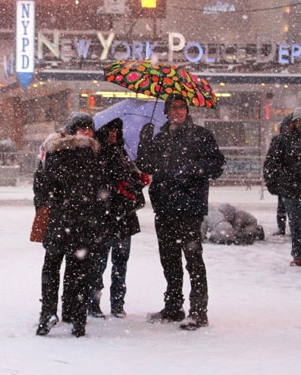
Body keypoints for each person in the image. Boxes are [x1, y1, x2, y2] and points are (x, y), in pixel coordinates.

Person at [137, 94, 225, 330]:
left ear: (187, 110)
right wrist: (144, 143)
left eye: (181, 107)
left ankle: (198, 311)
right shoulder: (161, 137)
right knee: (169, 260)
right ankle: (174, 306)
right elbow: (147, 166)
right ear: (166, 112)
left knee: (193, 259)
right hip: (165, 207)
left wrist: (195, 168)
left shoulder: (200, 135)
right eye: (172, 108)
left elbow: (217, 165)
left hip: (189, 206)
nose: (177, 111)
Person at [33, 112, 101, 338]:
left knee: (52, 267)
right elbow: (97, 190)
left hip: (57, 221)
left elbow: (41, 186)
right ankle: (76, 316)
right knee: (78, 270)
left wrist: (43, 210)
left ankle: (48, 313)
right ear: (73, 130)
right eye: (84, 128)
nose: (88, 133)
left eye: (90, 128)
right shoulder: (91, 154)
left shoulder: (51, 152)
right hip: (81, 222)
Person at [88, 118, 146, 319]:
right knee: (99, 262)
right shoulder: (96, 154)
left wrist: (136, 181)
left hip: (124, 217)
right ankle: (93, 302)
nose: (113, 134)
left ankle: (117, 303)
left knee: (121, 263)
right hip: (105, 217)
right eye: (110, 130)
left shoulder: (123, 153)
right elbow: (96, 183)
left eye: (117, 130)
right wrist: (117, 186)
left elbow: (128, 180)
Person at [263, 106, 301, 267]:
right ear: (294, 122)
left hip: (290, 187)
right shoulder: (282, 141)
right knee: (296, 223)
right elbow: (271, 165)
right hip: (291, 190)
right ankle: (298, 254)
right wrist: (279, 184)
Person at [266, 114, 293, 236]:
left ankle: (285, 227)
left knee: (285, 206)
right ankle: (283, 227)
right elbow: (272, 162)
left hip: (287, 179)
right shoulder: (280, 141)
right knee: (283, 205)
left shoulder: (280, 140)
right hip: (285, 180)